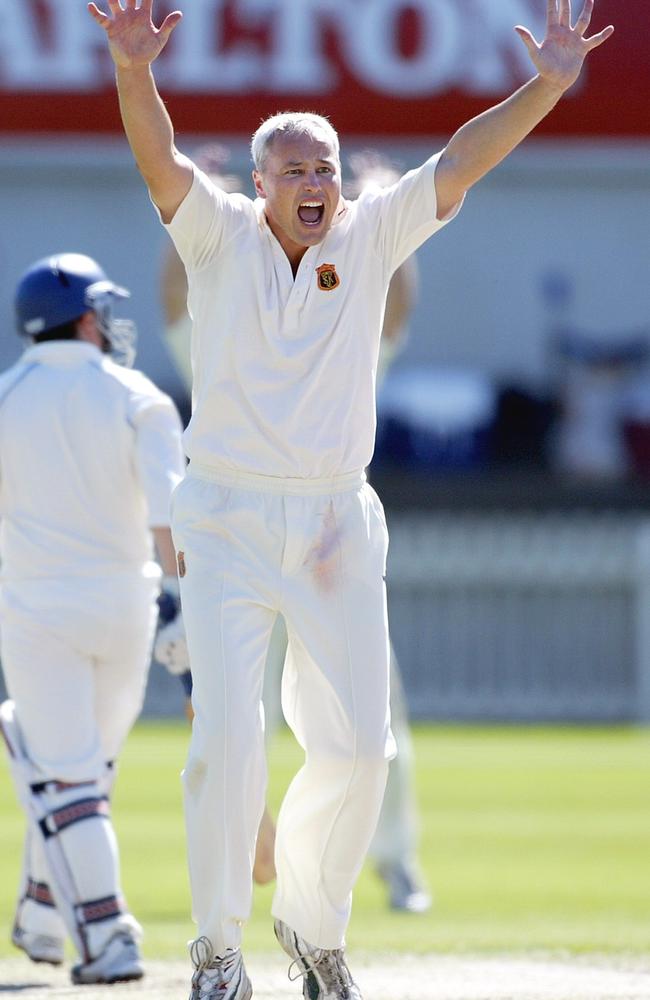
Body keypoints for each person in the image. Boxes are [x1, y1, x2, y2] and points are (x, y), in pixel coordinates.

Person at [88, 1, 613, 997]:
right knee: (227, 740)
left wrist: (545, 84)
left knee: (361, 749)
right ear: (258, 183)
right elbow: (158, 162)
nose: (315, 183)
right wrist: (131, 69)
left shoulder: (369, 236)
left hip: (333, 517)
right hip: (229, 513)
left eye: (324, 167)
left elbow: (456, 162)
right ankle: (214, 950)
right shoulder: (218, 236)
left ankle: (312, 926)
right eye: (293, 169)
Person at [159, 144, 430, 911]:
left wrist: (383, 196)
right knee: (233, 730)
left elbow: (399, 288)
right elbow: (176, 269)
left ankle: (388, 865)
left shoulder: (357, 286)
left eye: (326, 177)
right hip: (237, 528)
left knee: (366, 730)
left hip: (326, 536)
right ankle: (240, 888)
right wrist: (198, 188)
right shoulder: (226, 288)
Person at [0, 252, 186, 985]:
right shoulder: (140, 396)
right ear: (85, 319)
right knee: (87, 778)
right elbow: (173, 519)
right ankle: (46, 913)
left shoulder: (6, 398)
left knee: (69, 779)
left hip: (37, 606)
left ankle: (109, 937)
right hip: (127, 606)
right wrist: (184, 609)